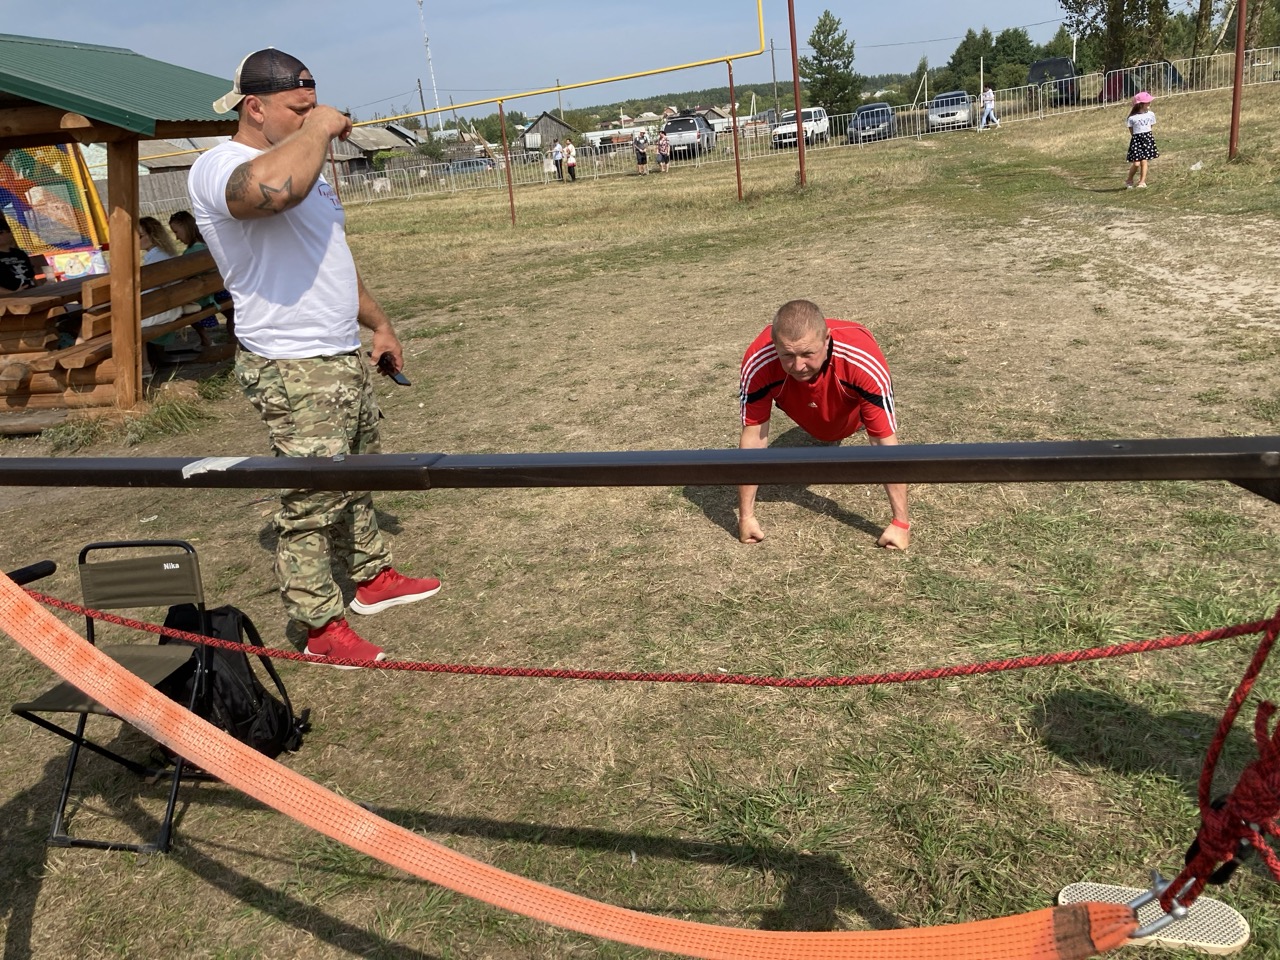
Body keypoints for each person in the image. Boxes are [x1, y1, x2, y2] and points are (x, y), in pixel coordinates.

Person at [188, 47, 442, 666]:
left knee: (359, 476)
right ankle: (319, 625)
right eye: (298, 109)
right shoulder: (219, 165)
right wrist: (322, 127)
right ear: (255, 108)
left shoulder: (308, 169)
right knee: (311, 499)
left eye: (314, 107)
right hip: (289, 361)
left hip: (338, 352)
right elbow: (269, 194)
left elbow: (330, 260)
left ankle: (372, 577)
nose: (312, 118)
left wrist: (379, 325)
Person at [737, 299, 909, 549]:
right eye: (787, 355)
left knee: (862, 423)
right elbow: (753, 438)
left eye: (808, 353)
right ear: (775, 345)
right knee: (822, 427)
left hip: (850, 412)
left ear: (827, 339)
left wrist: (901, 523)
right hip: (806, 410)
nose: (798, 366)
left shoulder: (862, 359)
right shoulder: (758, 361)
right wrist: (746, 517)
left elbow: (883, 443)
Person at [169, 209, 235, 345]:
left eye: (176, 232)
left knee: (185, 306)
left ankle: (206, 340)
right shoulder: (208, 245)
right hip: (222, 290)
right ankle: (233, 340)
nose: (176, 238)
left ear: (185, 227)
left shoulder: (190, 254)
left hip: (210, 296)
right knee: (231, 314)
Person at [1125, 91, 1158, 189]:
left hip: (1147, 139)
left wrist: (1147, 137)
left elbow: (1150, 126)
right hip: (1137, 141)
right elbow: (1131, 131)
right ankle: (1129, 179)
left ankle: (1142, 182)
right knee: (1136, 163)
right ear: (1140, 104)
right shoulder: (1132, 118)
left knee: (1144, 161)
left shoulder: (1151, 114)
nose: (1149, 103)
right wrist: (1137, 138)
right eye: (1147, 102)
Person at [0, 217, 39, 291]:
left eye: (0, 232)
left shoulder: (20, 254)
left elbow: (32, 277)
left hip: (32, 291)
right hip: (12, 296)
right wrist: (12, 293)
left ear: (9, 233)